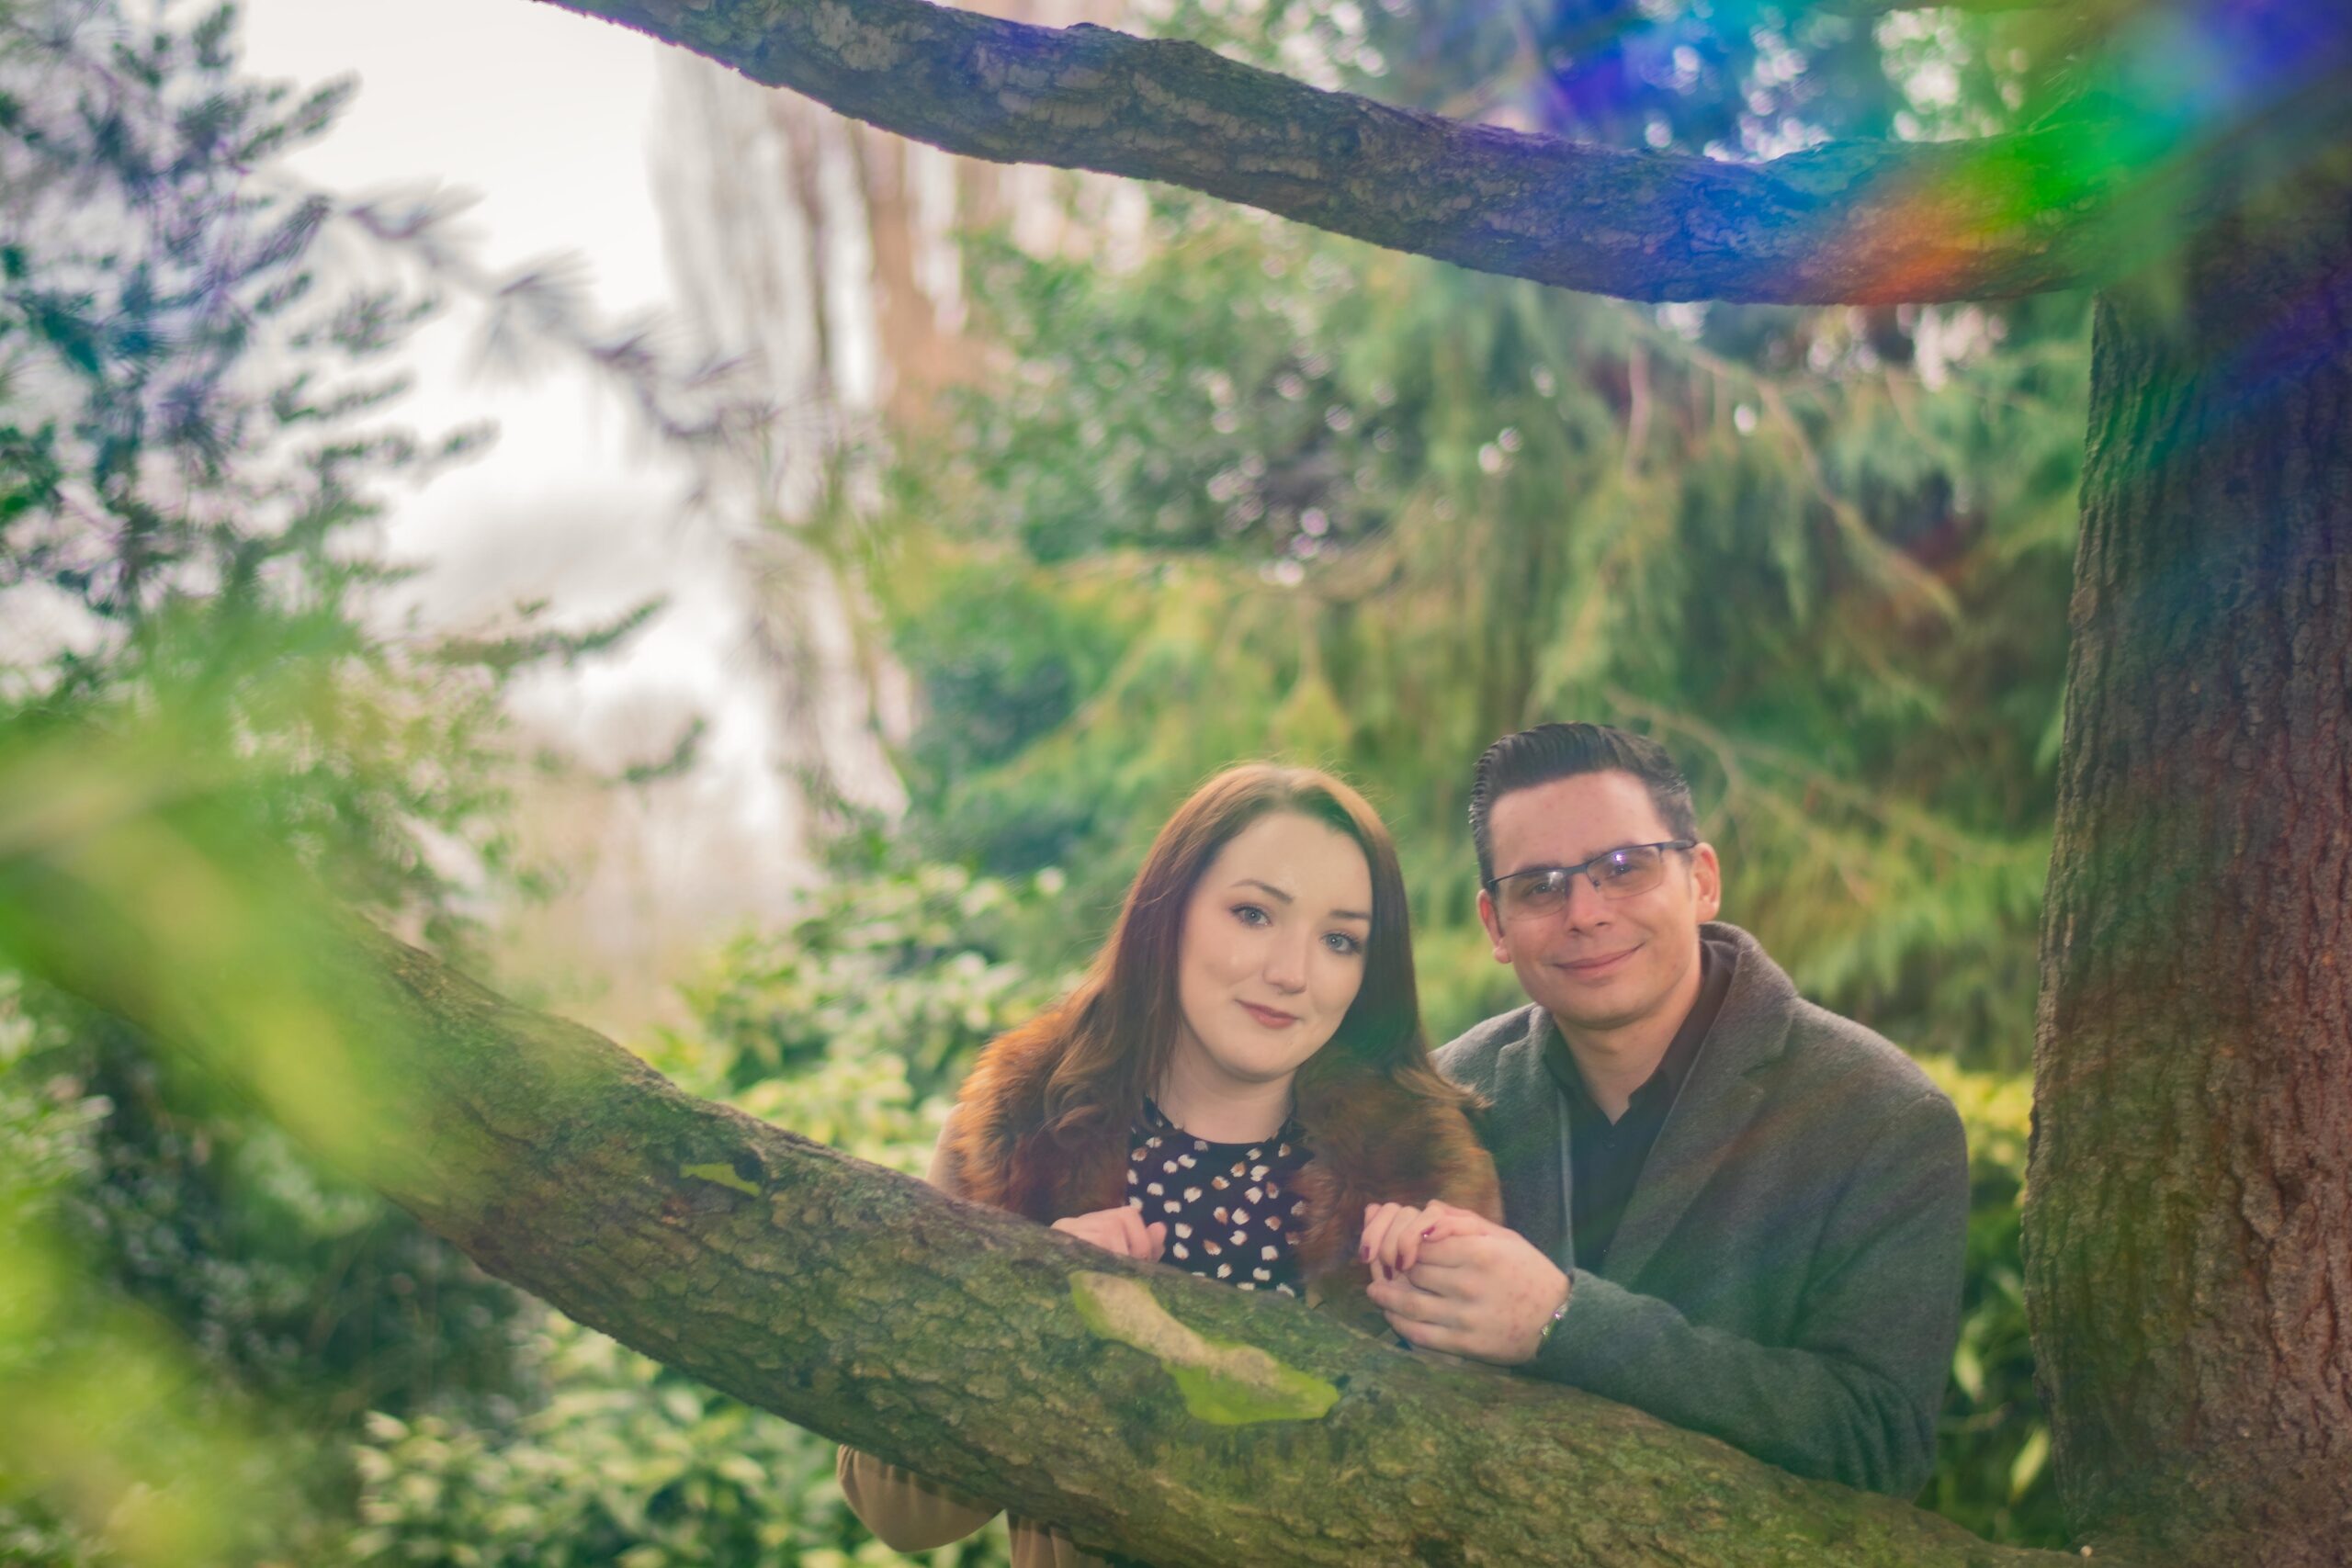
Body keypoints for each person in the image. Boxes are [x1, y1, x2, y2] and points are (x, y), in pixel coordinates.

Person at [838, 763, 1502, 1566]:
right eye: (1253, 913)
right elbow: (897, 1513)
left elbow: (1478, 1506)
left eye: (1339, 939)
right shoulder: (1014, 1143)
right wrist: (1037, 1311)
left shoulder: (1424, 1178)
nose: (1292, 971)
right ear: (1169, 912)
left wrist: (1441, 1339)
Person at [1359, 722, 1967, 1496]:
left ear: (1702, 879)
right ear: (1495, 926)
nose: (1585, 911)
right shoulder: (1446, 1095)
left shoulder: (1885, 1117)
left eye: (1623, 867)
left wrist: (1562, 1321)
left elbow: (1877, 1442)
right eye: (1540, 885)